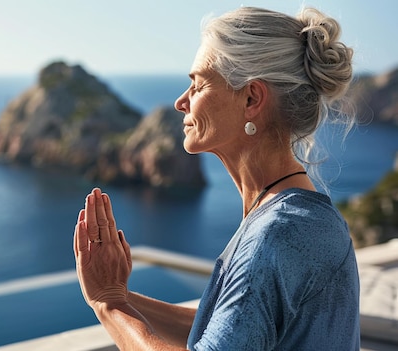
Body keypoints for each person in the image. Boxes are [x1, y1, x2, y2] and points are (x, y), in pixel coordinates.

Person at [73, 6, 360, 350]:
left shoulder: (276, 235)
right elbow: (233, 331)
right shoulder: (305, 218)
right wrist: (118, 296)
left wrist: (110, 305)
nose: (182, 102)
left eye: (198, 84)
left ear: (252, 98)